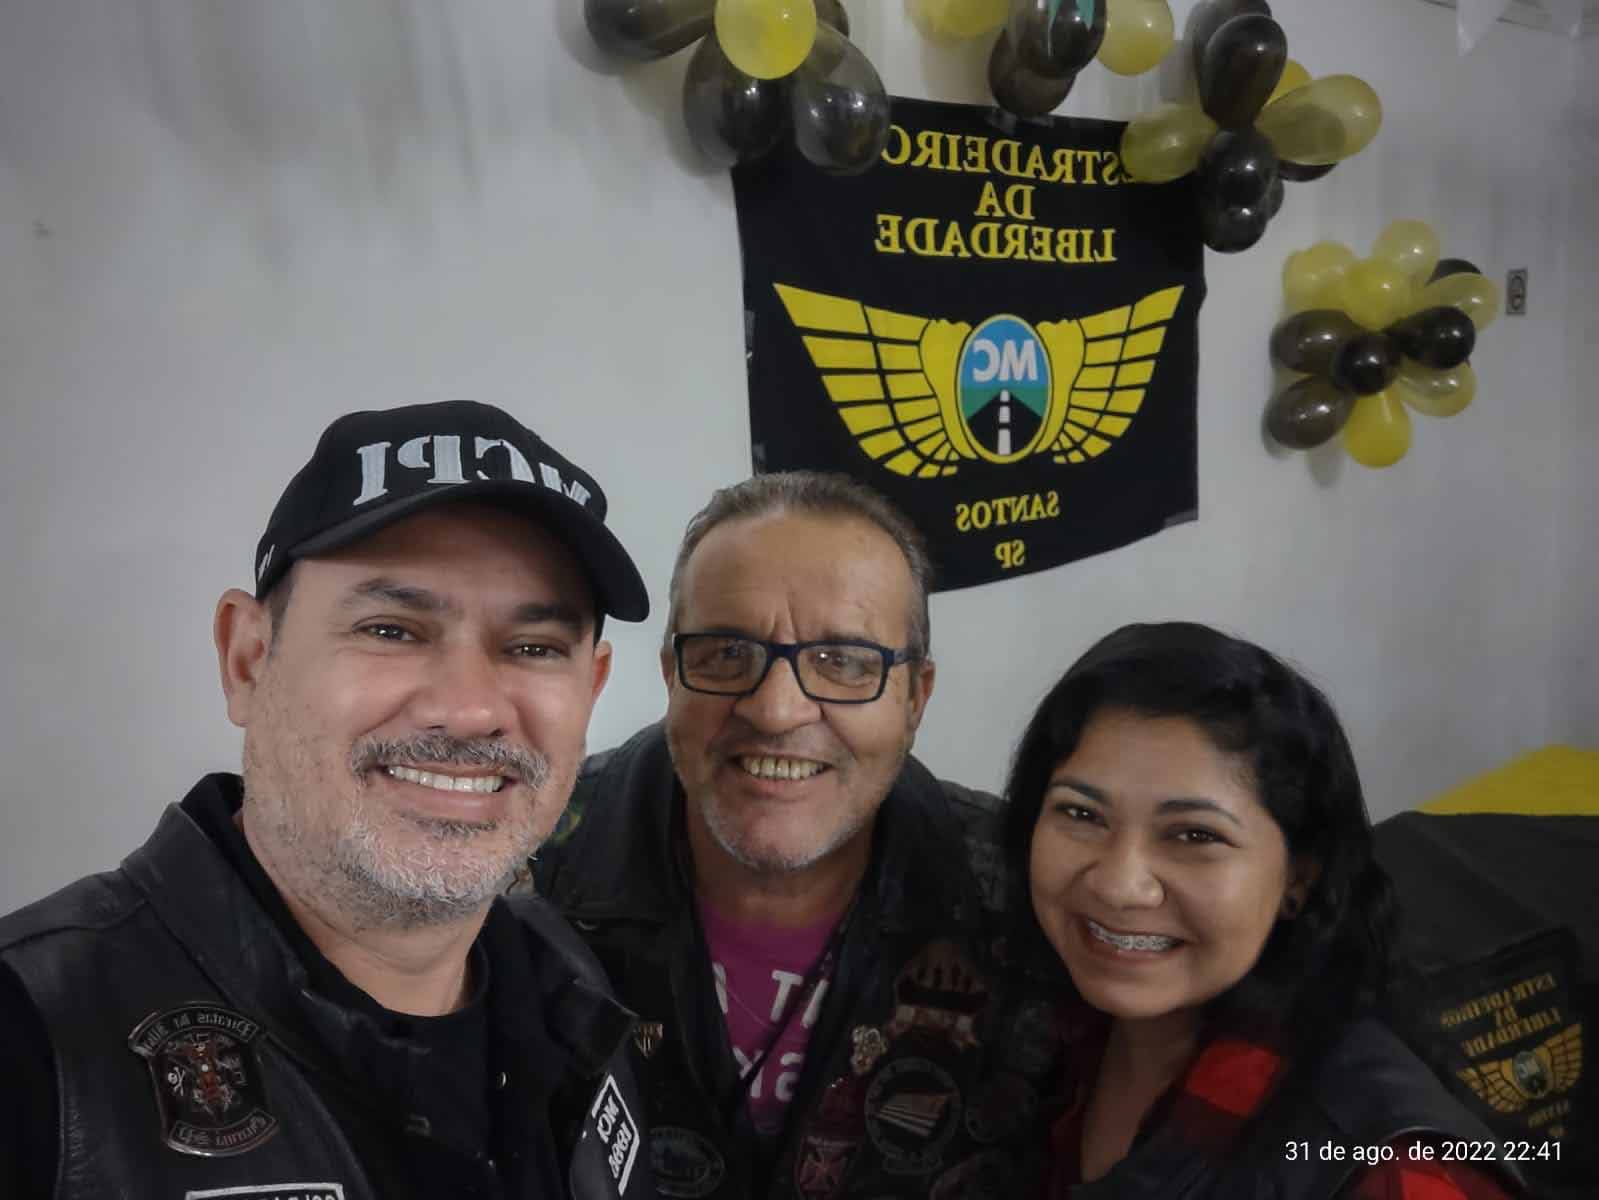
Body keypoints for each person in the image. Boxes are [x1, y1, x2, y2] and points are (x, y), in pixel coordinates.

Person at [0, 401, 659, 1200]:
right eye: (391, 630)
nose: (469, 709)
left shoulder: (574, 985)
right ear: (247, 660)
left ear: (591, 688)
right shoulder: (32, 1038)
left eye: (533, 647)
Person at [532, 472, 1061, 1200]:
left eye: (843, 662)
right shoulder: (523, 871)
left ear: (916, 696)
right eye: (726, 653)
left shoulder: (1030, 895)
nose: (777, 710)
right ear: (671, 675)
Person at [1003, 622, 1526, 1199]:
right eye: (1081, 814)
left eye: (1195, 835)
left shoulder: (1395, 1173)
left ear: (1298, 878)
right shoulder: (1051, 1031)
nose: (1120, 886)